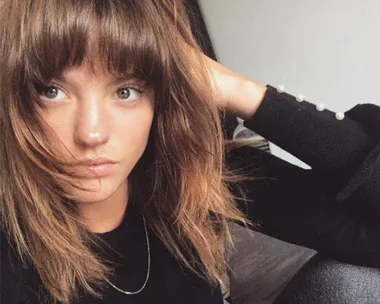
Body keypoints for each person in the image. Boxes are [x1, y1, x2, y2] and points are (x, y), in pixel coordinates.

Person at [0, 0, 379, 303]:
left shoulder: (190, 175)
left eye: (126, 90)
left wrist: (239, 91)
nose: (92, 133)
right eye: (50, 91)